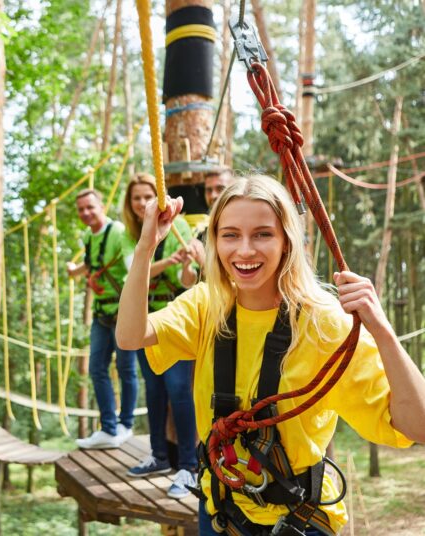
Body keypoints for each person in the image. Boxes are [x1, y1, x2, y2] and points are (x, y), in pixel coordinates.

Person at [117, 175, 425, 535]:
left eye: (262, 234)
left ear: (286, 242)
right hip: (221, 512)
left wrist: (382, 331)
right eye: (230, 235)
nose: (245, 250)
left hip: (299, 519)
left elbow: (417, 425)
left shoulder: (323, 323)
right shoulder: (207, 306)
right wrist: (146, 246)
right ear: (214, 242)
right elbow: (130, 336)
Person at [120, 173, 200, 499]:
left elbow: (187, 281)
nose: (142, 203)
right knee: (154, 390)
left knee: (179, 389)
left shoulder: (178, 228)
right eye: (136, 198)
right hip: (145, 320)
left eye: (147, 197)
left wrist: (183, 265)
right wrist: (163, 257)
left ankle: (189, 465)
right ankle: (159, 455)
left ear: (158, 199)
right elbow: (132, 268)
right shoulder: (131, 234)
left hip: (173, 319)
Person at [67, 188, 138, 449]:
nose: (86, 213)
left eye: (90, 207)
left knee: (125, 369)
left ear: (101, 206)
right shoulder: (89, 236)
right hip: (100, 313)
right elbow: (92, 263)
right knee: (97, 368)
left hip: (122, 312)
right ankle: (108, 427)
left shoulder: (119, 232)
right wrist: (76, 271)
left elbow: (133, 268)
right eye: (81, 209)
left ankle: (125, 425)